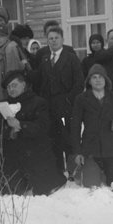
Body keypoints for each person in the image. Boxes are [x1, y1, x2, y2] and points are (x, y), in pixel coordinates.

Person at [0, 69, 67, 196]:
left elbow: (43, 125)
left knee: (41, 188)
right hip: (13, 154)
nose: (11, 89)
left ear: (23, 85)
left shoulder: (38, 102)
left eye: (14, 85)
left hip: (35, 153)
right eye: (8, 87)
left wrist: (21, 125)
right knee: (11, 190)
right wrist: (10, 130)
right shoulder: (3, 105)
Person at [31, 26, 85, 177]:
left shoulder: (71, 58)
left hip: (66, 106)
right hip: (50, 107)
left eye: (56, 38)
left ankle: (73, 171)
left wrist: (68, 99)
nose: (54, 41)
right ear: (47, 41)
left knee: (69, 137)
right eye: (51, 38)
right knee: (54, 139)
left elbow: (79, 83)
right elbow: (41, 81)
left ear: (62, 39)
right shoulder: (45, 58)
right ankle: (58, 171)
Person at [72, 64, 113, 186]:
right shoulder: (81, 99)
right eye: (94, 77)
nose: (98, 80)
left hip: (111, 150)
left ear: (106, 80)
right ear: (89, 82)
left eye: (101, 77)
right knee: (91, 186)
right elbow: (75, 127)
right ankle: (90, 171)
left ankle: (106, 173)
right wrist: (78, 152)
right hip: (91, 150)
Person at [0, 22, 30, 104]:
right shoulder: (0, 52)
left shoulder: (10, 49)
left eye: (0, 36)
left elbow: (12, 77)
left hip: (10, 96)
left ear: (7, 37)